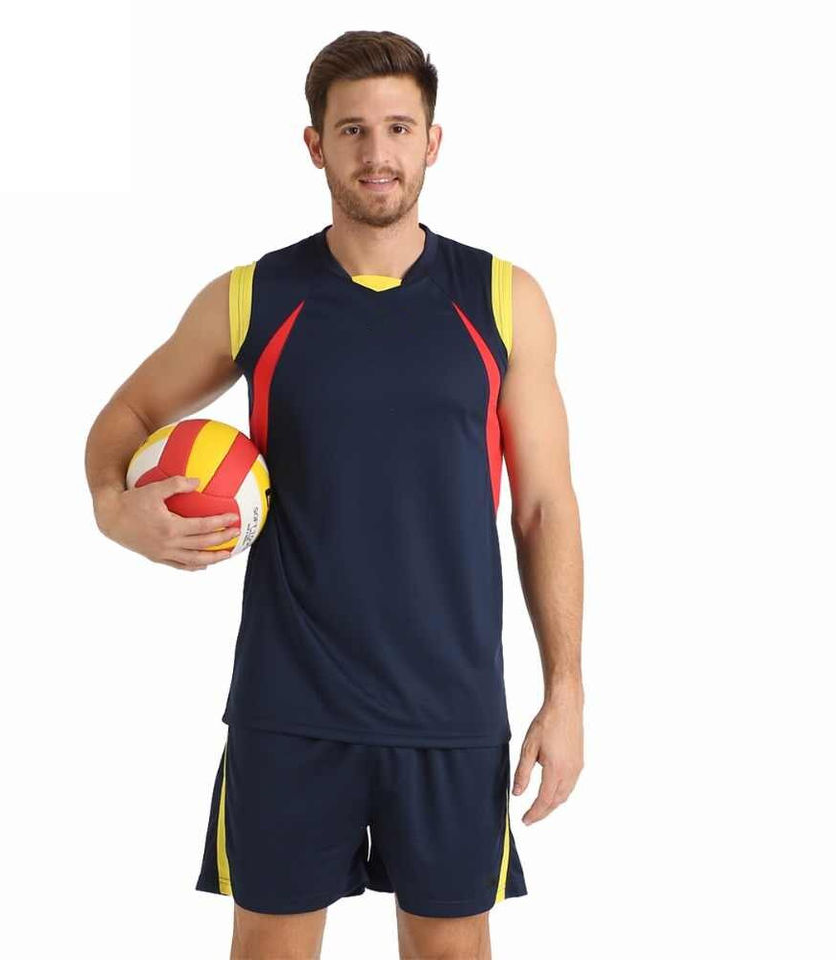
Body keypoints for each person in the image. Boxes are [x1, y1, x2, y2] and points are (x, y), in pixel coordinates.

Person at [85, 29, 583, 960]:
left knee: (451, 949)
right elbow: (128, 412)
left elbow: (543, 508)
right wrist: (117, 511)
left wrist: (566, 692)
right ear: (316, 145)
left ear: (433, 141)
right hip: (290, 703)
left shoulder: (503, 299)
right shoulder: (254, 296)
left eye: (399, 128)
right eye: (352, 130)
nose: (376, 152)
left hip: (449, 706)